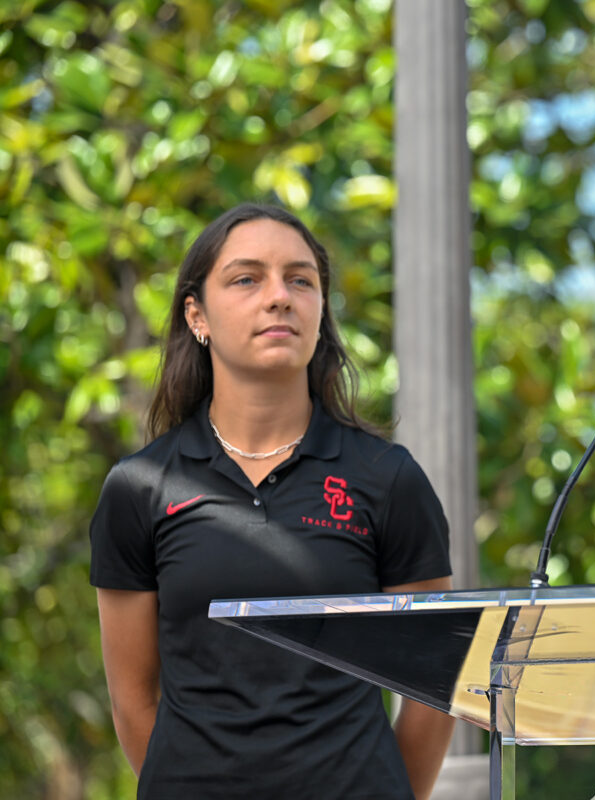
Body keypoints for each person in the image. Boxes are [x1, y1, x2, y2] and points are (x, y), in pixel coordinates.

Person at [90, 203, 457, 799]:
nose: (279, 296)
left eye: (300, 279)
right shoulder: (139, 488)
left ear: (319, 312)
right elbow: (133, 702)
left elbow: (433, 686)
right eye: (246, 278)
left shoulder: (387, 478)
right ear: (197, 316)